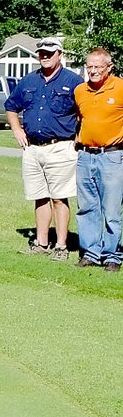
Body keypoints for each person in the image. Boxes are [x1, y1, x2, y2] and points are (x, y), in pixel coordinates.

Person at [5, 37, 84, 262]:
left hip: (60, 147)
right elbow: (11, 107)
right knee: (39, 197)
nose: (45, 56)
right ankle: (41, 243)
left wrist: (78, 138)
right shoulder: (29, 80)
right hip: (32, 148)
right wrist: (16, 129)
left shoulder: (74, 81)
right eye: (41, 52)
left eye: (50, 52)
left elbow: (85, 112)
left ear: (60, 54)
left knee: (59, 198)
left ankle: (61, 245)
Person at [73, 47, 123, 272]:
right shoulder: (80, 91)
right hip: (85, 156)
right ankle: (91, 252)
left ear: (109, 68)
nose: (92, 71)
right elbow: (79, 119)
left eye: (97, 67)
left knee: (111, 210)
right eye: (89, 67)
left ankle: (112, 255)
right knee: (87, 207)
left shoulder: (120, 88)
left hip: (111, 156)